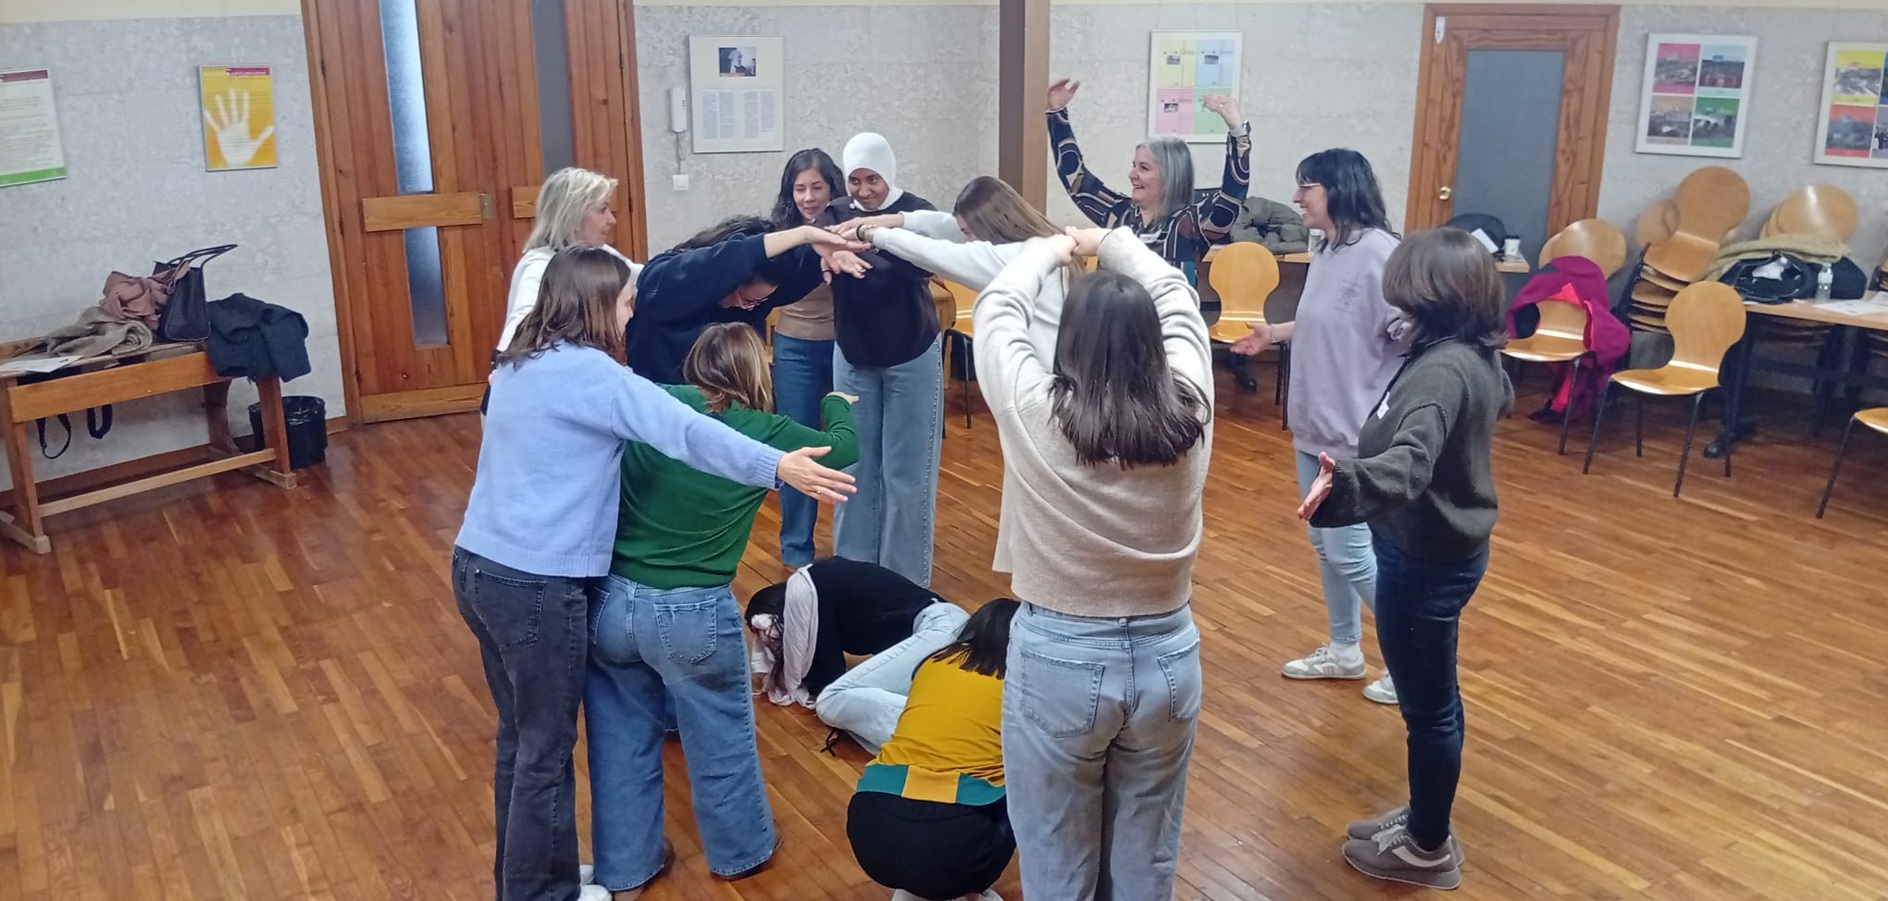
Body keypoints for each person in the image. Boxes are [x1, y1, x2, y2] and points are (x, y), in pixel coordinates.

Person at [453, 248, 854, 901]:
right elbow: (690, 432)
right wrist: (778, 466)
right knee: (545, 750)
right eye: (625, 300)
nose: (633, 311)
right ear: (593, 303)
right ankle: (538, 893)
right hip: (537, 587)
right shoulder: (596, 378)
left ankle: (552, 874)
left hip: (478, 567)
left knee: (523, 739)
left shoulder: (520, 365)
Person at [975, 225, 1212, 900]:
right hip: (1170, 655)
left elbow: (997, 307)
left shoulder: (1032, 408)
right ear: (1154, 343)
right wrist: (1108, 239)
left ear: (1068, 341)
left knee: (1056, 858)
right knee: (1147, 853)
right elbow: (1175, 293)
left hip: (1060, 657)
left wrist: (1051, 250)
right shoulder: (1194, 407)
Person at [584, 323, 860, 895]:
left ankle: (626, 866)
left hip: (612, 604)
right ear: (759, 372)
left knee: (619, 743)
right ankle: (740, 852)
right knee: (720, 736)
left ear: (694, 366)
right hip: (693, 614)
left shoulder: (658, 403)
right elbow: (844, 447)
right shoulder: (767, 431)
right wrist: (837, 400)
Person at [1296, 228, 1513, 891]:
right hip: (1434, 551)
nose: (1392, 312)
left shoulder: (1443, 371)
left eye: (1404, 299)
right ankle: (1426, 818)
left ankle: (1426, 845)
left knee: (1429, 710)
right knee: (1435, 697)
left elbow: (1411, 460)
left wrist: (1346, 485)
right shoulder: (1464, 355)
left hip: (1426, 563)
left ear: (1439, 300)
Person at [1231, 148, 1405, 705]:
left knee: (1351, 551)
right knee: (1326, 546)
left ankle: (1415, 662)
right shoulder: (1328, 248)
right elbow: (1328, 322)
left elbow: (1410, 334)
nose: (1298, 197)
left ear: (1340, 190)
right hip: (1313, 423)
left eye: (1308, 187)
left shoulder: (1383, 255)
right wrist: (1274, 335)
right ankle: (1345, 649)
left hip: (1355, 433)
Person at [1044, 76, 1259, 389]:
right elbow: (1077, 181)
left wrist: (1239, 132)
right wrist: (1056, 115)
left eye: (1144, 168)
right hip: (1109, 343)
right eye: (1134, 165)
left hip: (1166, 350)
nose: (1132, 174)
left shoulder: (1192, 223)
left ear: (1170, 175)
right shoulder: (1120, 213)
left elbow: (1233, 194)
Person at [817, 132, 944, 587]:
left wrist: (871, 243)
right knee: (853, 471)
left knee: (906, 475)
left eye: (872, 179)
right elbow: (818, 242)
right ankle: (854, 580)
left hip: (911, 353)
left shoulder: (916, 212)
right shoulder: (835, 213)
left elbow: (922, 263)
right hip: (854, 357)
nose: (864, 190)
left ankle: (904, 586)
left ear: (888, 174)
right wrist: (829, 252)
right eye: (855, 180)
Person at [846, 599, 1021, 901]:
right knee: (1026, 787)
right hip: (954, 838)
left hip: (869, 823)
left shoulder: (934, 662)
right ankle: (966, 888)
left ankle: (919, 884)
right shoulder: (1020, 678)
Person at [836, 174, 1074, 360]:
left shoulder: (1017, 258)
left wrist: (870, 232)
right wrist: (896, 219)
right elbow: (945, 224)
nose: (966, 240)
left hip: (1046, 383)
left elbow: (933, 253)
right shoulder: (1040, 246)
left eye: (968, 233)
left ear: (991, 223)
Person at [745, 556, 968, 751]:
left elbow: (830, 676)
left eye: (769, 631)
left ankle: (947, 734)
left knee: (831, 700)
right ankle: (944, 728)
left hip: (940, 629)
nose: (768, 641)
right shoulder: (821, 586)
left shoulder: (808, 590)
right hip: (946, 629)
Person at [626, 215, 862, 386]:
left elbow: (798, 261)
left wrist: (828, 248)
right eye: (745, 298)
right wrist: (802, 233)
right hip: (661, 402)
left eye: (757, 303)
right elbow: (726, 261)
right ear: (729, 277)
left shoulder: (763, 290)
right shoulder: (670, 278)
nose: (745, 307)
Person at [769, 149, 848, 569]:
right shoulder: (782, 232)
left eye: (817, 187)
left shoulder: (848, 227)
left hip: (844, 347)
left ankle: (853, 543)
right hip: (794, 347)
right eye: (800, 188)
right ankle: (797, 549)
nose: (808, 197)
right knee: (799, 445)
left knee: (846, 444)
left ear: (832, 187)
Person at [498, 167, 632, 353]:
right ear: (573, 217)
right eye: (602, 210)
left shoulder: (599, 253)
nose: (612, 220)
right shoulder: (539, 267)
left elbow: (643, 279)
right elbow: (518, 334)